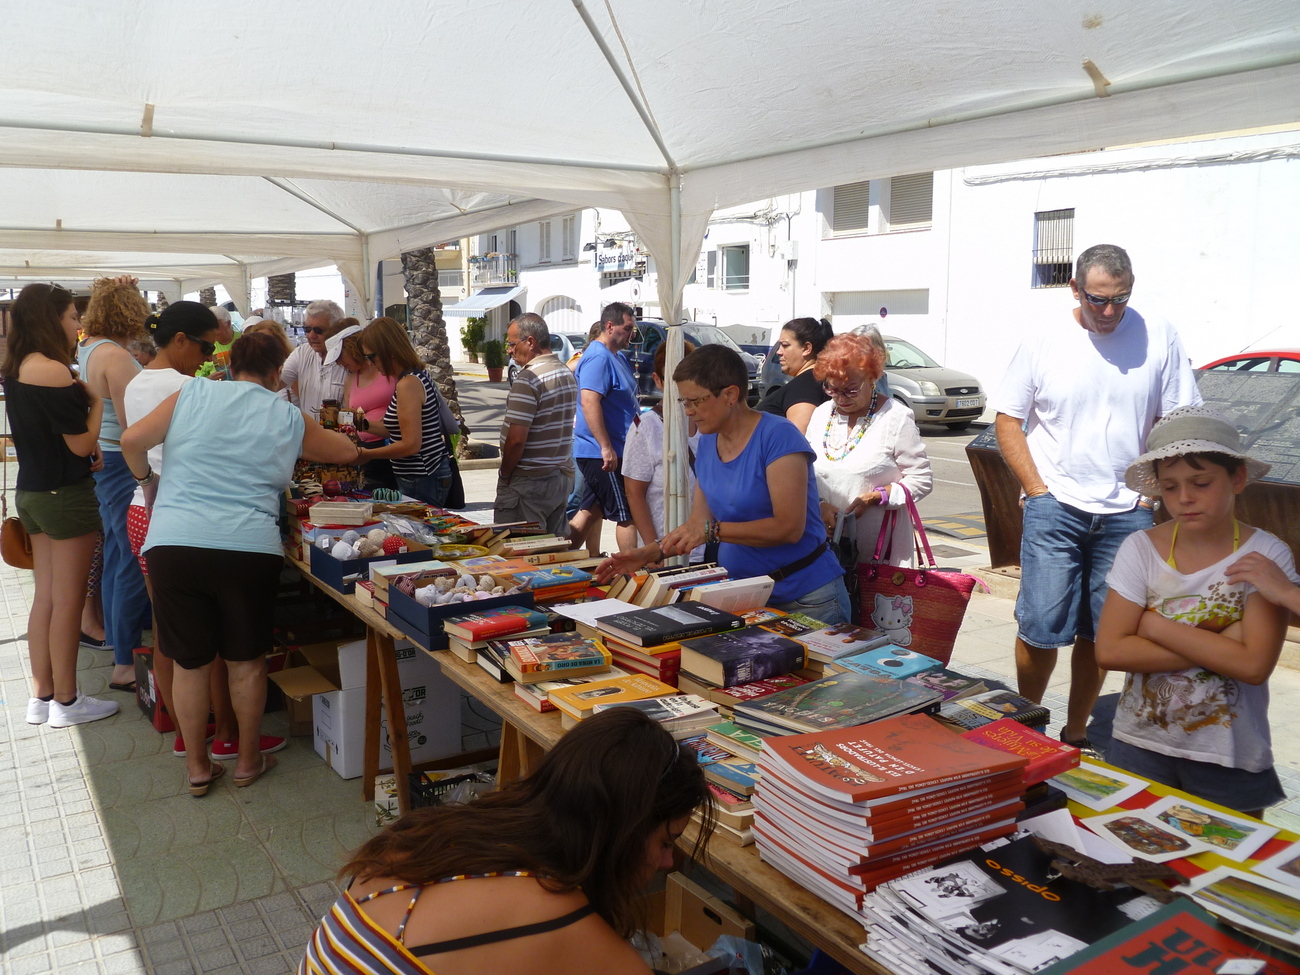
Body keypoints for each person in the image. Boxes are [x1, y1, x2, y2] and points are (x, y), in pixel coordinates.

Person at [300, 707, 714, 975]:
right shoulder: (553, 911)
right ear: (619, 834)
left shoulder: (443, 835)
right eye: (665, 842)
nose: (667, 863)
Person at [121, 332, 361, 794]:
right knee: (245, 662)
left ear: (230, 367)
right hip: (247, 547)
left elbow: (132, 439)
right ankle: (249, 760)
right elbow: (345, 452)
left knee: (190, 663)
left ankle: (197, 766)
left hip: (174, 543)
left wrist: (147, 478)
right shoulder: (285, 413)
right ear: (276, 374)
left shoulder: (190, 392)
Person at [989, 243, 1201, 750]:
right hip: (1055, 504)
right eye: (1097, 299)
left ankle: (1077, 727)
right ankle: (1029, 722)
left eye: (1120, 300)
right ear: (1075, 289)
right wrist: (1035, 489)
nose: (1109, 312)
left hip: (1128, 511)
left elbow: (1179, 422)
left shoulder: (1159, 334)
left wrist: (1151, 496)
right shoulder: (1044, 336)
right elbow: (1007, 419)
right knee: (1040, 625)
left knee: (1103, 633)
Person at [1094, 407, 1296, 817]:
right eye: (1169, 488)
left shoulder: (1264, 558)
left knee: (1221, 866)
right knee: (1131, 856)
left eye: (1201, 483)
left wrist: (1151, 626)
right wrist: (1223, 642)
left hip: (1227, 753)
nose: (1184, 498)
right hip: (1139, 743)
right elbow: (1111, 652)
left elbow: (1255, 665)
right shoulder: (1141, 548)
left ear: (1237, 478)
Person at [123, 303, 284, 762]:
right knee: (212, 651)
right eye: (206, 346)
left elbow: (129, 441)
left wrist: (143, 484)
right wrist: (152, 483)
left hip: (148, 518)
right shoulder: (186, 388)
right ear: (181, 340)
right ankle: (228, 736)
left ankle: (185, 741)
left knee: (173, 640)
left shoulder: (137, 380)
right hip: (181, 511)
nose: (210, 357)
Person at [599, 346, 850, 624]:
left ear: (730, 395)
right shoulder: (708, 440)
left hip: (806, 596)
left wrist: (713, 531)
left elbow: (788, 528)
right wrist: (650, 552)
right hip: (745, 594)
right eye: (684, 402)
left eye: (695, 401)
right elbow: (697, 524)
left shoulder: (779, 436)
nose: (688, 411)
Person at [4, 283, 119, 728]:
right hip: (64, 496)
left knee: (47, 599)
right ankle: (67, 702)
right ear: (51, 320)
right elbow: (82, 445)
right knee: (69, 601)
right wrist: (94, 400)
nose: (78, 325)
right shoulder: (53, 370)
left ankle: (42, 696)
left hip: (32, 492)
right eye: (72, 317)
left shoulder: (18, 366)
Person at [808, 333, 932, 622]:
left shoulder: (896, 418)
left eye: (850, 390)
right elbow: (805, 473)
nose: (840, 398)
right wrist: (819, 504)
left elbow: (921, 479)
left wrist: (878, 496)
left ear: (872, 378)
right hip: (828, 547)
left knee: (879, 626)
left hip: (878, 550)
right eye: (832, 389)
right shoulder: (821, 414)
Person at [77, 276, 151, 692]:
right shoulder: (117, 356)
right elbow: (133, 425)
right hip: (122, 463)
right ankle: (125, 660)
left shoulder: (89, 349)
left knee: (117, 554)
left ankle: (116, 643)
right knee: (130, 561)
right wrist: (148, 472)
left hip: (105, 462)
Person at [356, 317, 456, 507]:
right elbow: (392, 428)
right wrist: (359, 422)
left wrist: (366, 453)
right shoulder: (413, 376)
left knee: (420, 533)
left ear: (388, 351)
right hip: (422, 476)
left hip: (422, 477)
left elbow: (411, 445)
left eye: (371, 357)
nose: (370, 363)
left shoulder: (408, 384)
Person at [496, 313, 578, 534]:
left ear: (530, 342)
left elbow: (516, 440)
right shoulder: (564, 371)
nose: (509, 350)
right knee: (552, 554)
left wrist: (505, 474)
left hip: (529, 483)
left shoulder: (529, 377)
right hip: (558, 478)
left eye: (512, 344)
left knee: (520, 555)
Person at [622, 340, 704, 561]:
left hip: (708, 548)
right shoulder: (646, 427)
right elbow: (634, 493)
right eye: (673, 380)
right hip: (666, 551)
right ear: (658, 380)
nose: (681, 389)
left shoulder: (708, 421)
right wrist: (654, 551)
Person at [570, 303, 640, 556]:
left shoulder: (617, 356)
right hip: (601, 454)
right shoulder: (598, 357)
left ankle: (561, 559)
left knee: (590, 511)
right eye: (628, 328)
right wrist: (606, 447)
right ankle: (633, 571)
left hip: (616, 449)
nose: (632, 334)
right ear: (610, 327)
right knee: (627, 513)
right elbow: (589, 401)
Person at [339, 326, 399, 490]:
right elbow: (348, 416)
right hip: (365, 451)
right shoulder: (351, 379)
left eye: (341, 356)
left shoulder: (389, 372)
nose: (340, 363)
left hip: (390, 448)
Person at [758, 317, 832, 434]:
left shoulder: (805, 387)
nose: (778, 352)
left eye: (785, 345)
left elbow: (798, 440)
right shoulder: (812, 382)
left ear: (807, 348)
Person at [280, 299, 345, 418]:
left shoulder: (348, 361)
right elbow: (277, 382)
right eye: (307, 329)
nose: (311, 335)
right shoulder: (302, 352)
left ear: (337, 330)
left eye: (318, 330)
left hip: (341, 435)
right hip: (311, 434)